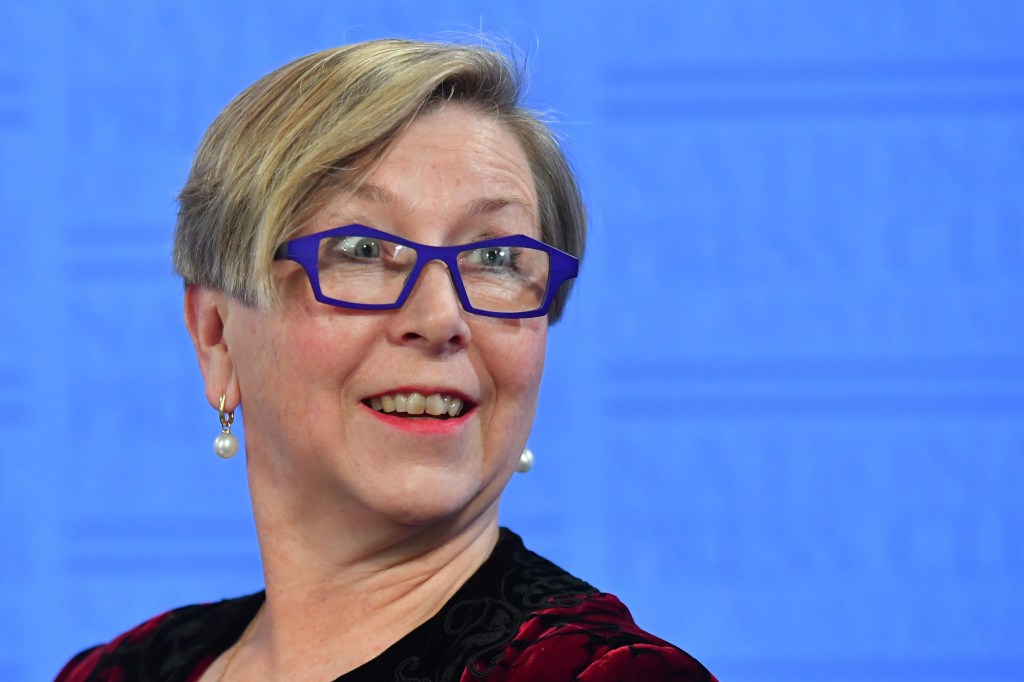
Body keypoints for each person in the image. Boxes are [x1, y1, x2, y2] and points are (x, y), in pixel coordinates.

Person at [56, 38, 717, 682]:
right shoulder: (113, 671)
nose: (441, 321)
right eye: (363, 251)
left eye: (494, 258)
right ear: (217, 339)